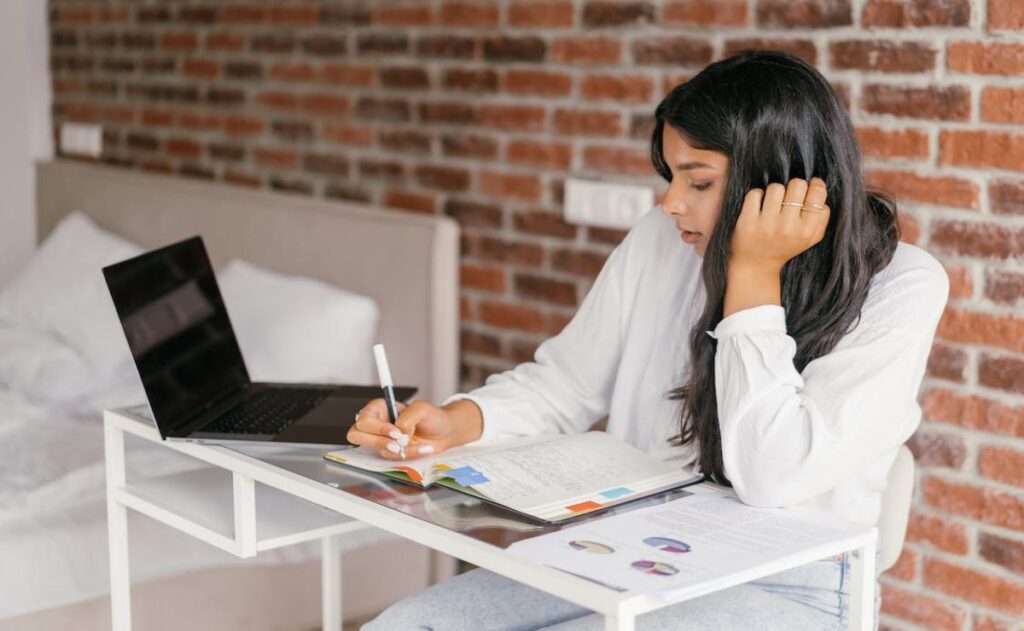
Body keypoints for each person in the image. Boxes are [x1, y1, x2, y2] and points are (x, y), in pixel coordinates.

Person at [350, 50, 949, 630]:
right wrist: (461, 420)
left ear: (777, 182)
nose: (670, 204)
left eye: (700, 181)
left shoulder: (901, 286)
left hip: (790, 585)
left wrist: (753, 273)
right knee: (410, 624)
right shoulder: (660, 241)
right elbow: (566, 383)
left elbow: (773, 475)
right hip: (629, 548)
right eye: (671, 177)